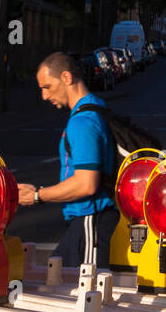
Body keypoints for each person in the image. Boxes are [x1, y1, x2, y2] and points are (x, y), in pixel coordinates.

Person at [17, 53, 119, 268]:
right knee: (58, 279)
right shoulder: (96, 109)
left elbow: (86, 184)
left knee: (81, 290)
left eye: (47, 87)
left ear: (66, 77)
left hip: (92, 219)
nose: (44, 96)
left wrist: (37, 195)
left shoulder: (83, 122)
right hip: (89, 222)